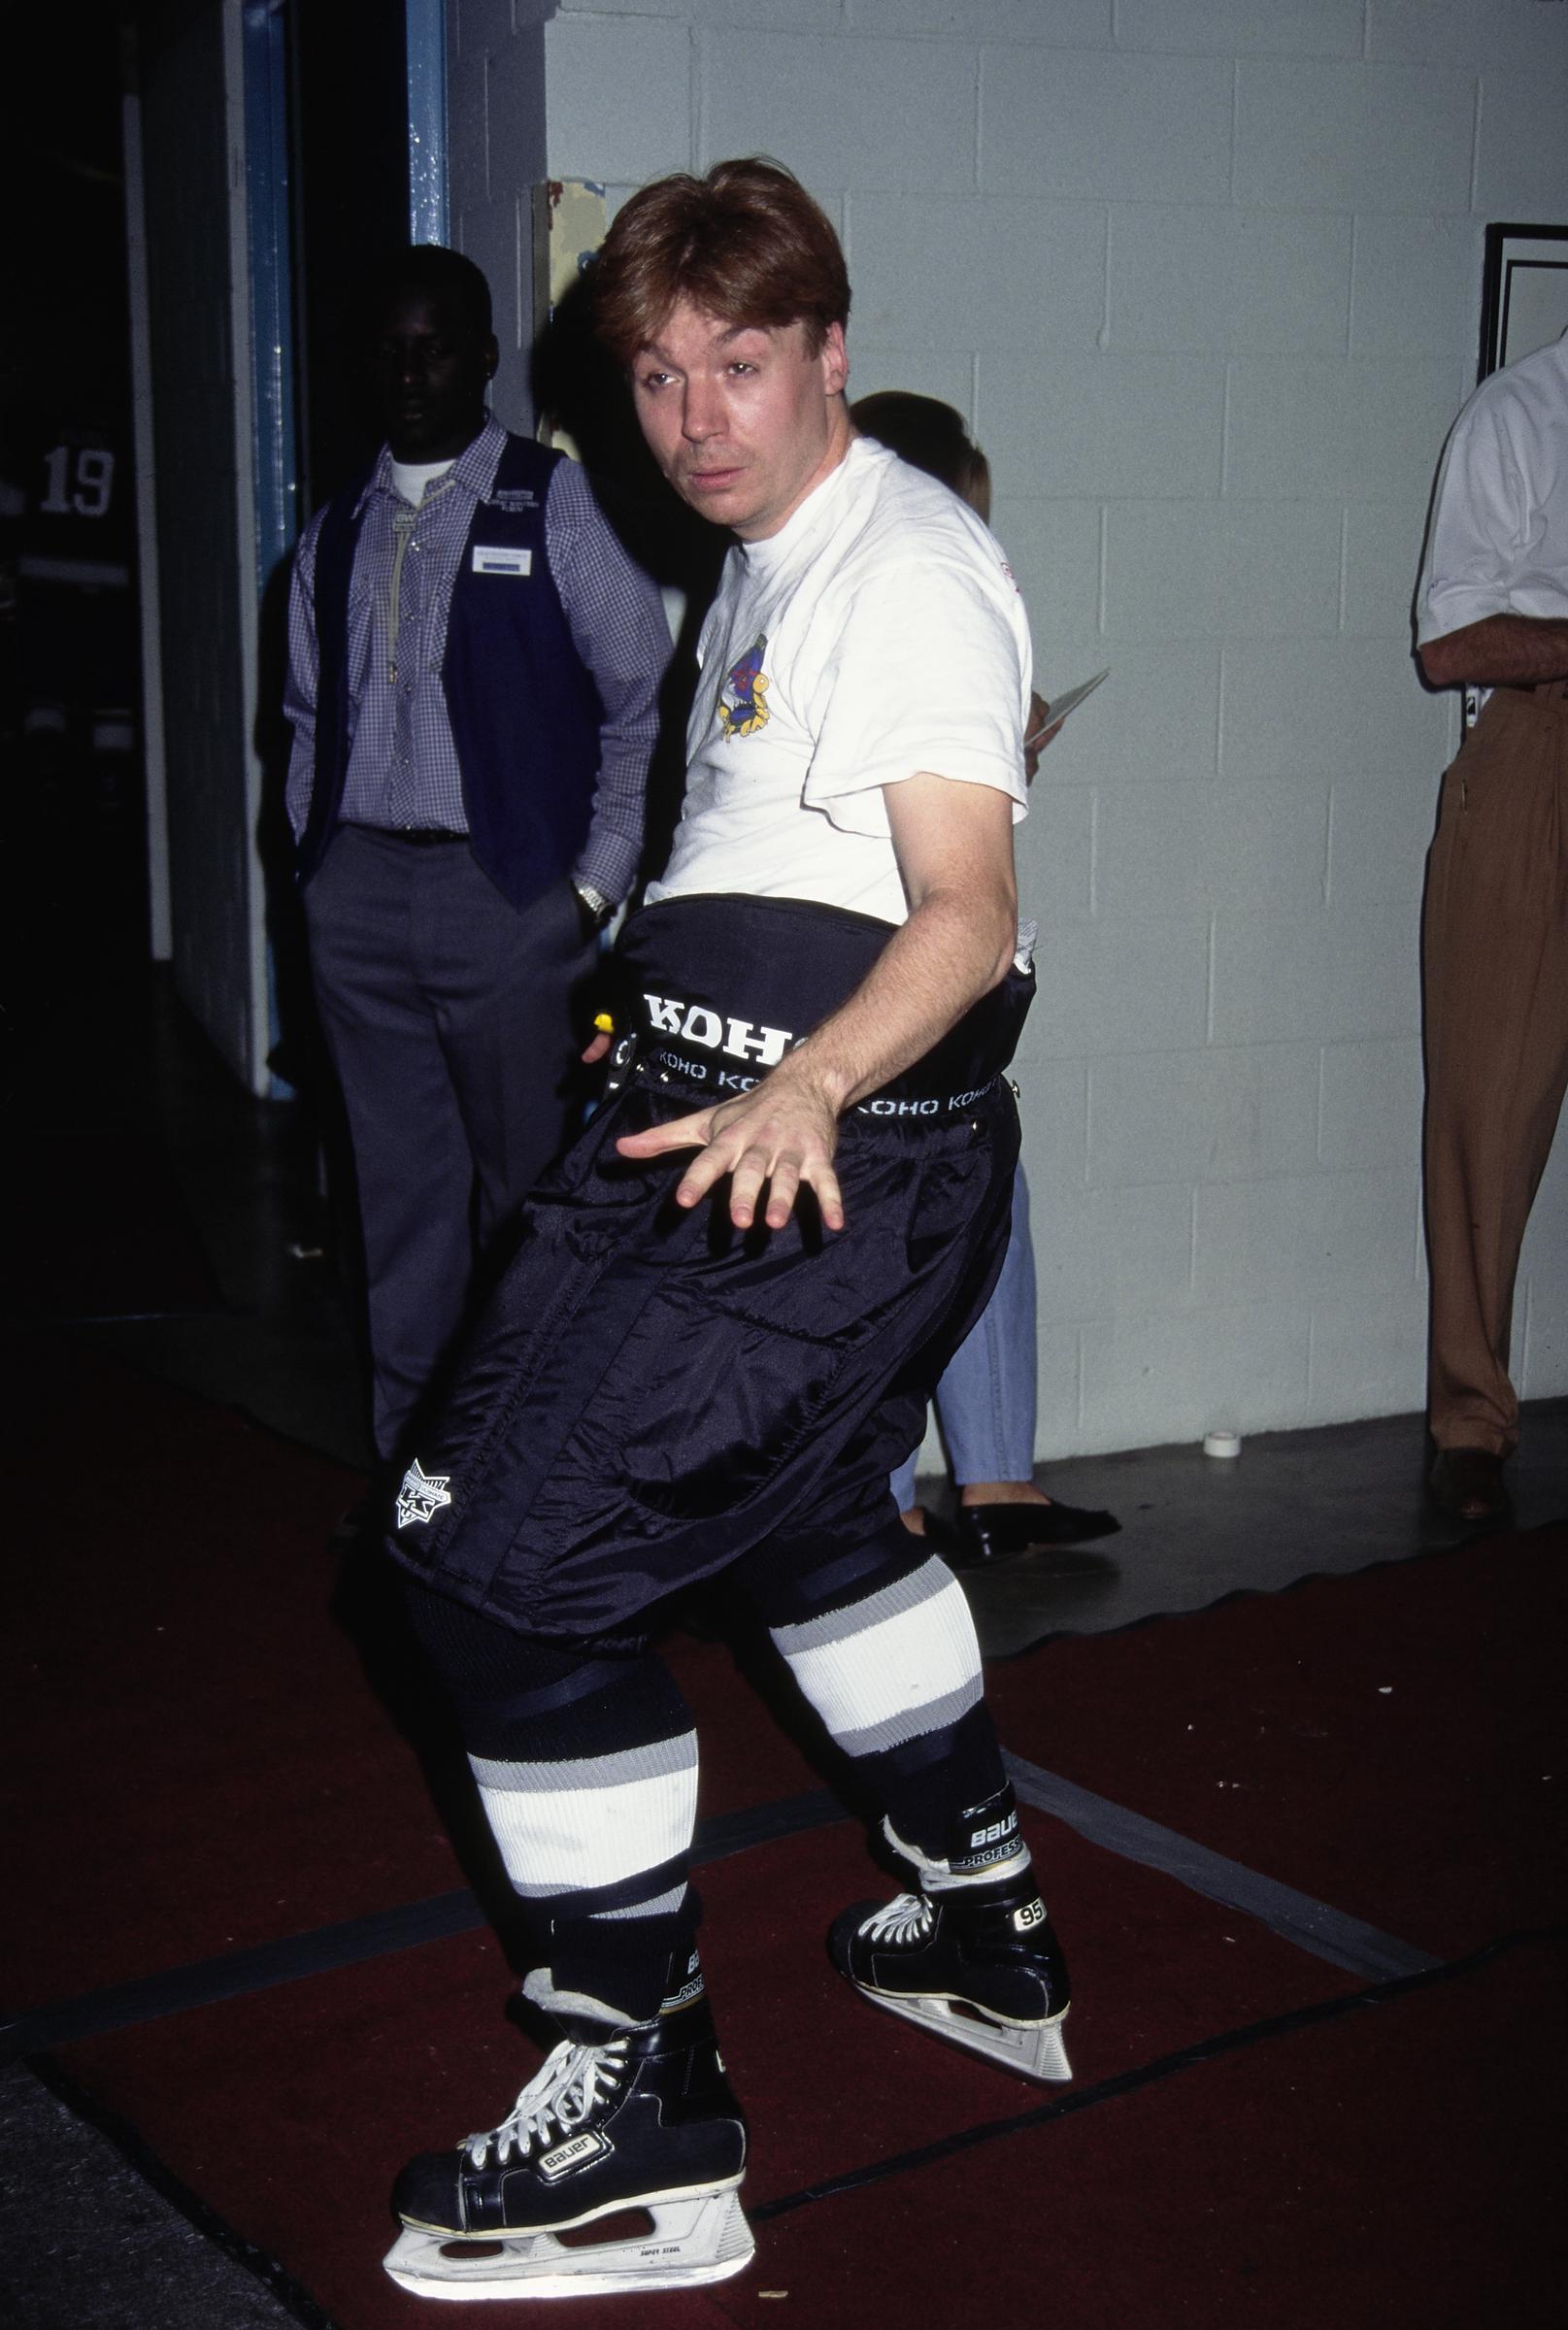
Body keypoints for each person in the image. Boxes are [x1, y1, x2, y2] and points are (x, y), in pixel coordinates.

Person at [378, 163, 1075, 2305]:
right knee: (793, 1523)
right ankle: (978, 1914)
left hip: (800, 1155)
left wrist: (800, 1086)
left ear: (827, 354)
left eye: (739, 366)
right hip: (715, 1122)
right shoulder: (770, 559)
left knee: (488, 1577)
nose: (696, 417)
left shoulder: (910, 570)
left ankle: (649, 2109)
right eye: (659, 376)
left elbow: (970, 910)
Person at [284, 246, 671, 1468]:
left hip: (506, 903)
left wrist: (588, 891)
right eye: (389, 347)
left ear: (484, 356)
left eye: (435, 344)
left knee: (529, 1209)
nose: (410, 371)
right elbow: (303, 721)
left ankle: (525, 1482)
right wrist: (315, 872)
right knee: (399, 1212)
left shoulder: (550, 503)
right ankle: (417, 1480)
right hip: (360, 906)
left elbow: (643, 706)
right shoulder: (332, 531)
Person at [852, 392, 1118, 1562]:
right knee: (884, 1223)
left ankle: (998, 1483)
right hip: (883, 961)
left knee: (983, 1193)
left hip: (948, 962)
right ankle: (881, 1493)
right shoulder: (881, 586)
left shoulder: (932, 594)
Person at [1415, 326, 1567, 1525]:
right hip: (1539, 751)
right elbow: (1449, 641)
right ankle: (1471, 1414)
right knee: (1491, 1102)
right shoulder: (1518, 417)